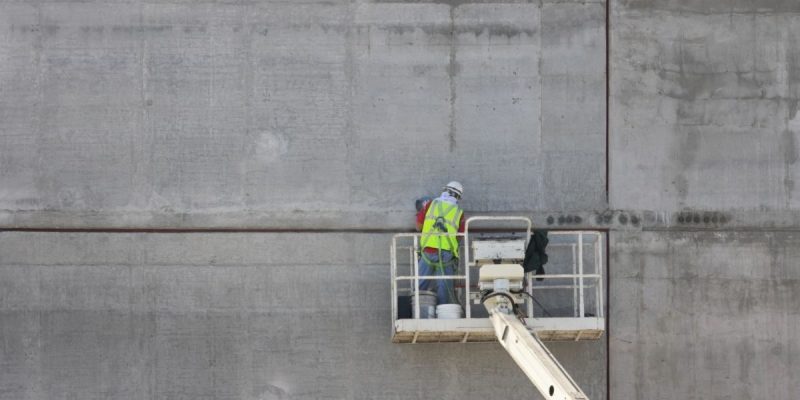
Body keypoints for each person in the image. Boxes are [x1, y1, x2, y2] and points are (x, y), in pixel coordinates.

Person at [416, 181, 465, 305]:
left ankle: (417, 309)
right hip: (446, 255)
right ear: (458, 196)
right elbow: (460, 236)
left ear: (445, 190)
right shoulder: (459, 212)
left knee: (420, 284)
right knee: (444, 287)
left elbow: (418, 226)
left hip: (428, 251)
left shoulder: (431, 205)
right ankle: (444, 312)